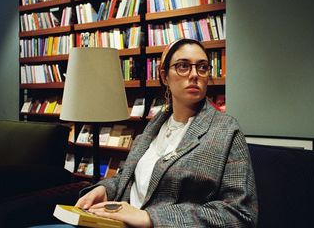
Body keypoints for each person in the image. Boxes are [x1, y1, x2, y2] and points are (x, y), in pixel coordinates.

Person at [73, 38, 258, 227]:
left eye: (202, 67)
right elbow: (131, 177)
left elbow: (240, 215)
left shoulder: (226, 130)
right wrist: (105, 189)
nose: (194, 74)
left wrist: (151, 218)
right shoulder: (156, 124)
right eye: (183, 66)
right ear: (164, 76)